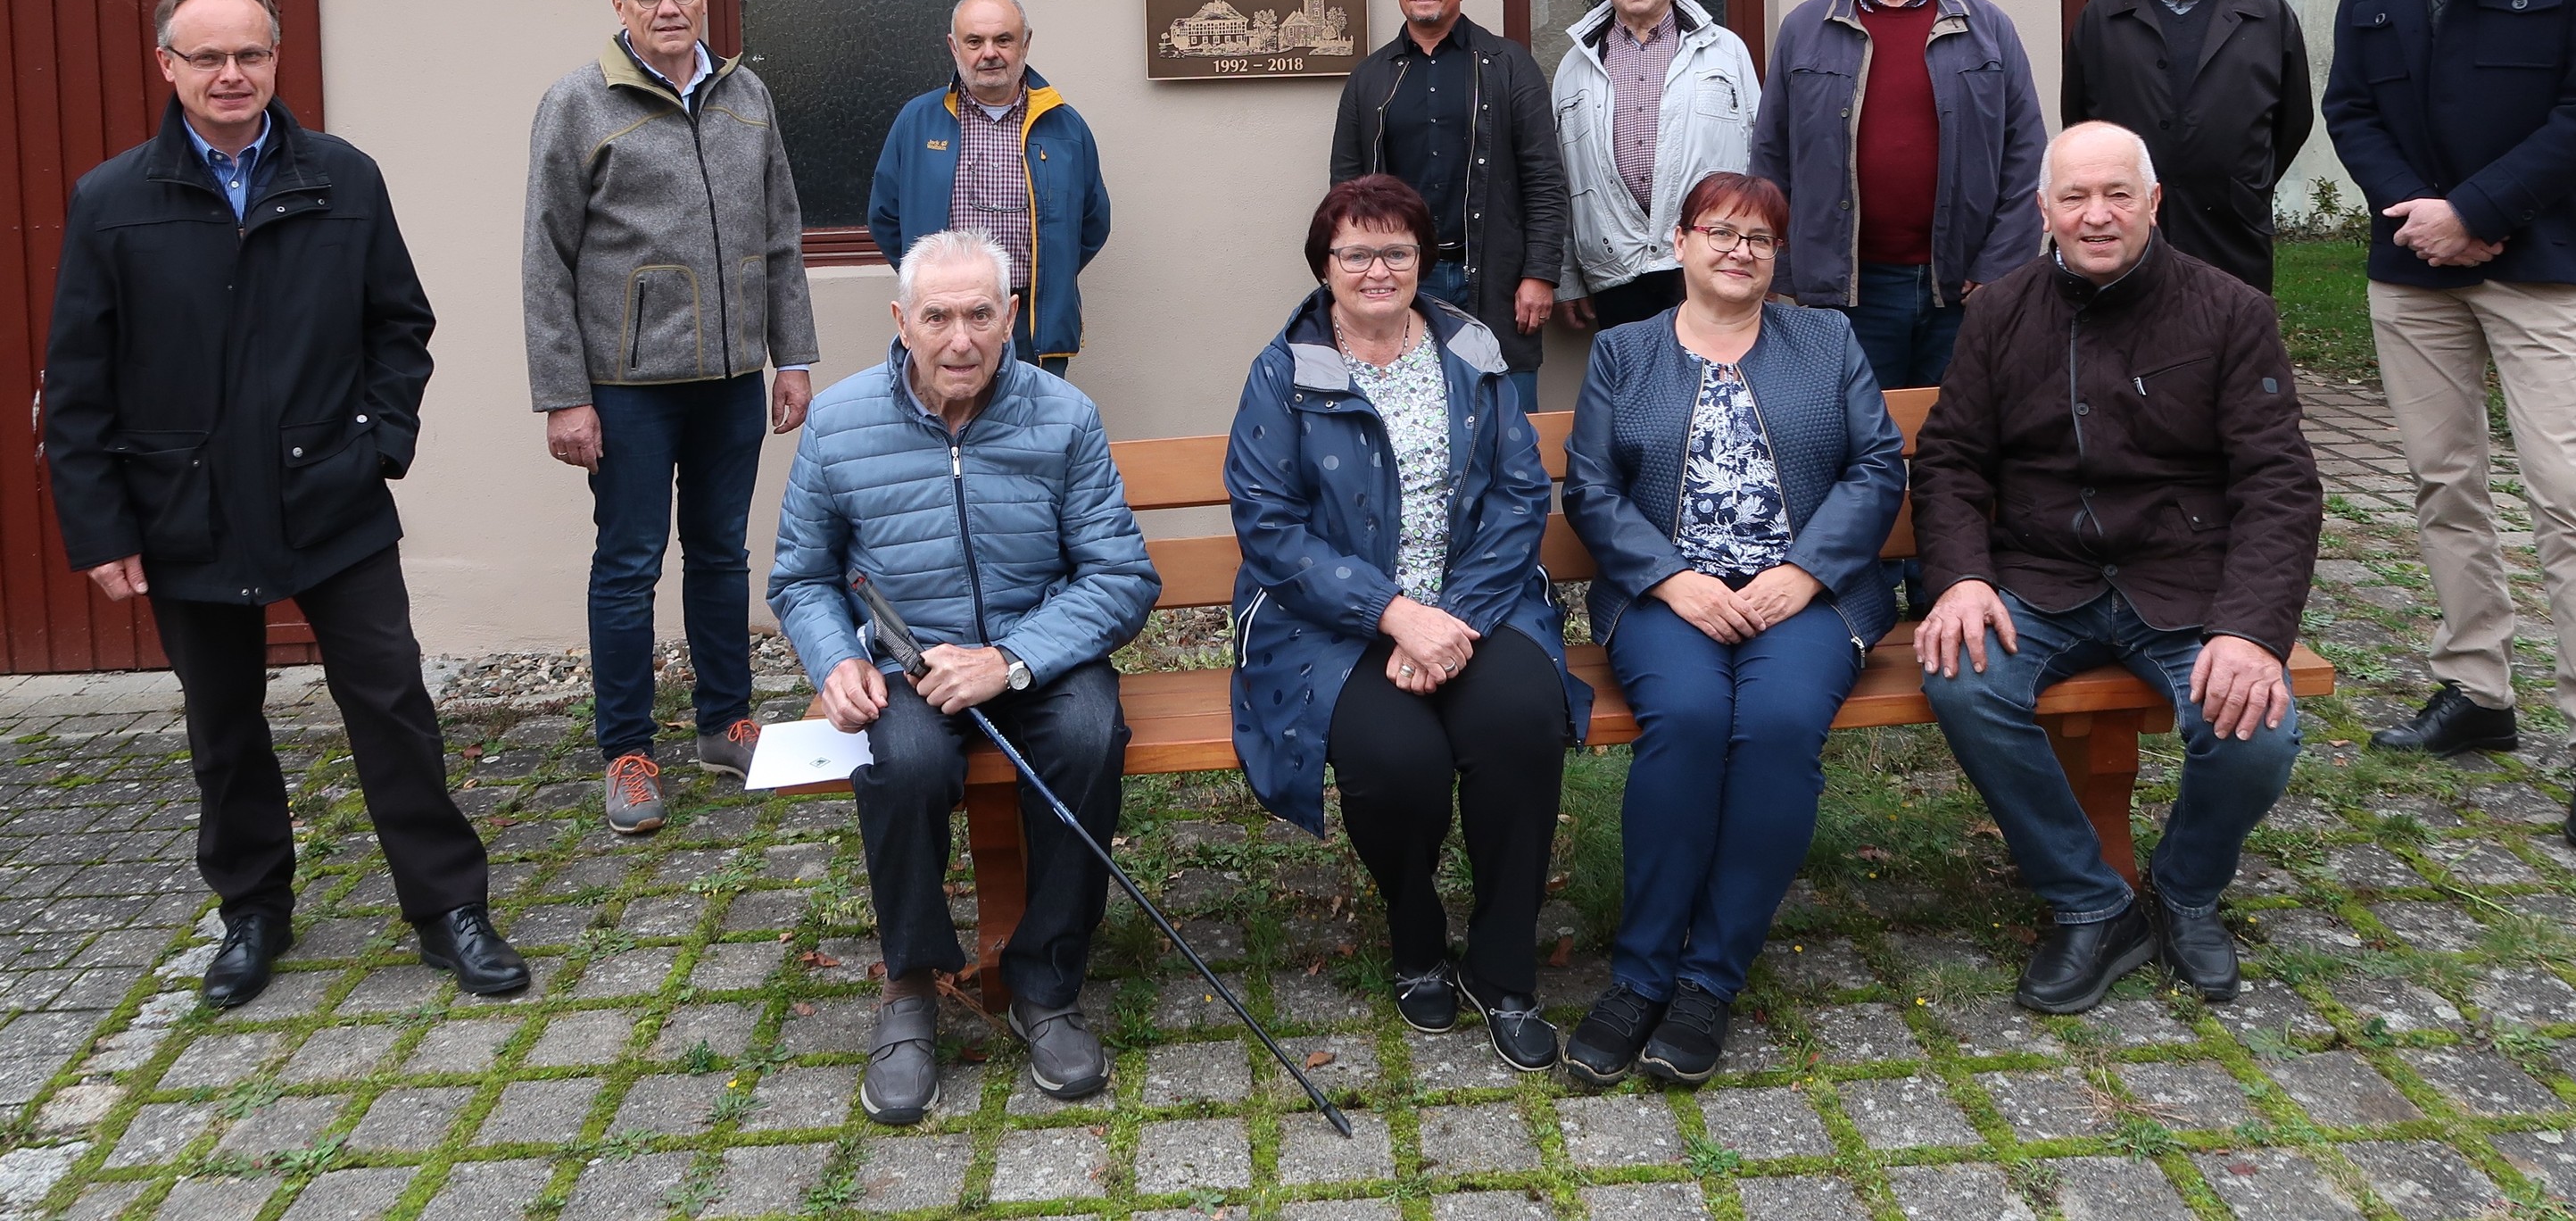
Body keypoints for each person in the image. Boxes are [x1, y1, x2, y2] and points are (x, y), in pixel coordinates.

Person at [46, 0, 525, 1008]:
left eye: (249, 53)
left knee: (392, 699)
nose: (231, 73)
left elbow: (399, 324)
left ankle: (448, 905)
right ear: (166, 64)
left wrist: (377, 442)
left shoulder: (342, 177)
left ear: (275, 58)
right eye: (207, 56)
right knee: (223, 723)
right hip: (185, 508)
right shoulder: (114, 199)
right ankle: (253, 910)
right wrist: (99, 525)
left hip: (333, 497)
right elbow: (77, 382)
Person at [1912, 122, 2322, 1014]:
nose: (2096, 215)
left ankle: (2183, 892)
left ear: (2153, 201)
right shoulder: (2000, 312)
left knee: (2259, 731)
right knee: (1962, 677)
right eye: (2075, 197)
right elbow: (1948, 462)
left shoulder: (2228, 310)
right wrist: (1962, 579)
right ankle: (2092, 903)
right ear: (2044, 209)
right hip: (2041, 577)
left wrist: (2250, 629)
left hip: (2184, 582)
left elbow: (2279, 481)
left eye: (2117, 194)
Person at [2324, 0, 2576, 853]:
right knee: (2441, 479)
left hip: (2538, 261)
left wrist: (2477, 209)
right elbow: (2350, 106)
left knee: (2566, 493)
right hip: (2413, 268)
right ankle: (2478, 689)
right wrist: (2422, 215)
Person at [769, 229, 1157, 1124]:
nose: (959, 338)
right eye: (937, 316)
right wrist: (835, 658)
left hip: (1038, 655)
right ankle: (911, 984)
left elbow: (1121, 577)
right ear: (900, 321)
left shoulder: (1063, 416)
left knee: (1090, 733)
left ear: (1010, 317)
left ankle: (1045, 981)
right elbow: (801, 576)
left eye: (980, 313)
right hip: (908, 665)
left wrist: (1012, 659)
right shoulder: (838, 421)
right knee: (901, 762)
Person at [1226, 176, 1591, 1070]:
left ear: (1424, 259)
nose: (1378, 268)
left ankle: (1503, 967)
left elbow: (1515, 495)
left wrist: (1450, 619)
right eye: (1356, 251)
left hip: (1477, 598)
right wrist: (1393, 614)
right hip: (1333, 620)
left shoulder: (1473, 346)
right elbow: (1270, 529)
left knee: (1519, 724)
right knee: (1398, 763)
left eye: (1397, 250)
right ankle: (1415, 926)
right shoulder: (1287, 370)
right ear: (1326, 264)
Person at [1560, 172, 1903, 1085]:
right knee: (1690, 721)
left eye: (1759, 236)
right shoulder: (1625, 351)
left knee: (1781, 725)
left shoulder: (1825, 339)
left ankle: (1709, 978)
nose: (1739, 249)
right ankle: (1638, 978)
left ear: (1775, 255)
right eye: (1721, 230)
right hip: (1667, 597)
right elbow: (1589, 487)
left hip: (1807, 595)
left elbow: (1876, 465)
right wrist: (1672, 578)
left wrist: (1805, 570)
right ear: (1682, 241)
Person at [524, 0, 821, 835]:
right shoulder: (578, 103)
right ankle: (628, 750)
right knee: (627, 565)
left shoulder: (746, 96)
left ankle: (724, 722)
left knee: (724, 552)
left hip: (731, 375)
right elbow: (547, 258)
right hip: (627, 384)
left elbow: (780, 232)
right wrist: (563, 392)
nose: (668, 7)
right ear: (619, 5)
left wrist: (793, 353)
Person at [1748, 0, 2047, 388]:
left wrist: (2002, 267)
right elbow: (1770, 157)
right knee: (1856, 441)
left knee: (1957, 438)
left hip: (1961, 287)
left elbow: (2028, 155)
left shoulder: (1988, 27)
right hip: (1844, 291)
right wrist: (1782, 267)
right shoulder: (1804, 28)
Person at [1331, 0, 1569, 411]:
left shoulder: (1508, 65)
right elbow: (1345, 191)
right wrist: (1351, 274)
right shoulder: (1370, 78)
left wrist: (1540, 273)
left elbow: (1545, 179)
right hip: (1400, 277)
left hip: (1497, 278)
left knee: (1509, 427)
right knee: (1413, 420)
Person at [2062, 0, 2315, 294]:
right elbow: (2080, 121)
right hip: (2130, 231)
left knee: (2232, 345)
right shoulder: (2101, 18)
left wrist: (2246, 183)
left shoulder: (2266, 13)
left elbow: (2294, 120)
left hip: (2233, 229)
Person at [869, 0, 1111, 377]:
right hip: (945, 324)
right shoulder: (918, 121)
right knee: (949, 429)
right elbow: (885, 217)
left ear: (1025, 43)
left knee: (1032, 433)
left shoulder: (1065, 126)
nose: (990, 53)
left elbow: (1093, 222)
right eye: (975, 41)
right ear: (954, 47)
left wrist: (1048, 273)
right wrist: (934, 288)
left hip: (1033, 323)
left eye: (1003, 39)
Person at [1553, 0, 1761, 331]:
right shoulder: (1575, 66)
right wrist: (1567, 276)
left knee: (1710, 382)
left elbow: (1760, 154)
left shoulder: (1725, 51)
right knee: (1631, 386)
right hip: (1616, 266)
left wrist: (1759, 252)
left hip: (1711, 255)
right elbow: (1562, 177)